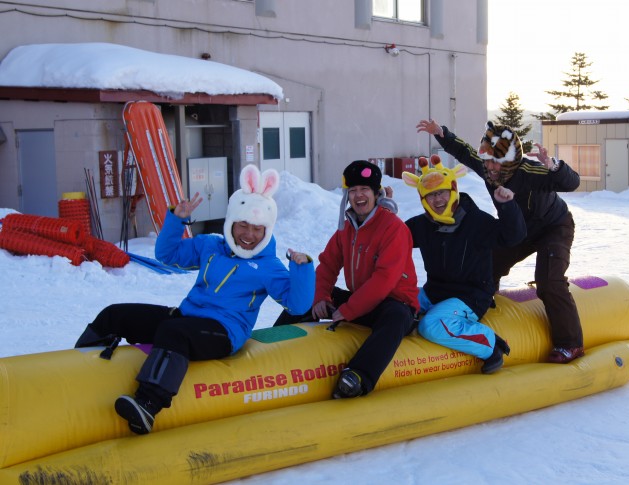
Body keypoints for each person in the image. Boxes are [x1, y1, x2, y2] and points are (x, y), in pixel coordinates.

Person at [74, 164, 315, 434]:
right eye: (243, 225)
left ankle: (148, 404)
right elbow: (169, 255)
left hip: (224, 333)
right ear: (231, 223)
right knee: (115, 314)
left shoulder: (269, 265)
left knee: (174, 332)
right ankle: (74, 370)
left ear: (266, 231)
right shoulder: (210, 246)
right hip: (187, 319)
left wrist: (302, 269)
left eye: (258, 229)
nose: (249, 235)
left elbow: (298, 305)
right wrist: (177, 220)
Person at [416, 118, 585, 363]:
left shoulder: (529, 172)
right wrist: (442, 134)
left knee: (549, 280)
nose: (491, 167)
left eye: (497, 161)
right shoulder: (486, 168)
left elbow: (571, 183)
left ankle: (570, 344)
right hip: (518, 229)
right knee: (489, 263)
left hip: (553, 226)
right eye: (488, 161)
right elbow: (465, 152)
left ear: (510, 160)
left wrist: (554, 166)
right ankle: (478, 309)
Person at [274, 160, 419, 399]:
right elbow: (328, 265)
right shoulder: (347, 228)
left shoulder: (394, 228)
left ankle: (359, 376)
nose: (358, 195)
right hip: (361, 301)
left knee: (397, 317)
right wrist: (321, 297)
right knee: (306, 295)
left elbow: (384, 279)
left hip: (393, 303)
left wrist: (350, 309)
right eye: (352, 190)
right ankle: (269, 346)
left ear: (376, 193)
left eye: (364, 189)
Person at [402, 155, 526, 373]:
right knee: (394, 301)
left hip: (471, 296)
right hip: (434, 292)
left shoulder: (476, 222)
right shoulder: (423, 225)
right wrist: (383, 210)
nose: (437, 199)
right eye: (430, 195)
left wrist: (507, 206)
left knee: (430, 325)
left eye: (441, 192)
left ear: (453, 190)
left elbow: (513, 236)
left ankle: (491, 345)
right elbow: (395, 238)